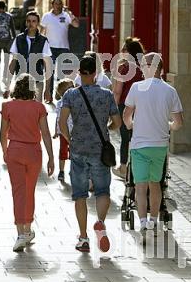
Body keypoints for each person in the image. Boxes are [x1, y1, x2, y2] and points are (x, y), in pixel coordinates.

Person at [59, 56, 121, 253]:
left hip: (78, 149)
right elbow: (117, 122)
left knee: (80, 195)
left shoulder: (70, 94)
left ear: (80, 73)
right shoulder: (106, 95)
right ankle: (100, 222)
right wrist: (106, 129)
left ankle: (83, 238)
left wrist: (70, 139)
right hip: (99, 149)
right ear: (96, 74)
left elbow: (62, 123)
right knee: (102, 191)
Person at [123, 52, 183, 236]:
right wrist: (168, 126)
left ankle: (142, 223)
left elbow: (127, 115)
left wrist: (131, 125)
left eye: (143, 65)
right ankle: (153, 221)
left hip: (140, 144)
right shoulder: (170, 91)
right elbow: (178, 123)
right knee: (155, 183)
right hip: (159, 145)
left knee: (140, 185)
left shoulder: (136, 87)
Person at [0, 73, 54, 252]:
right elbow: (45, 133)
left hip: (15, 150)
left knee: (18, 192)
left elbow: (2, 133)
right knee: (29, 191)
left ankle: (20, 233)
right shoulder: (38, 108)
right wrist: (51, 157)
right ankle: (28, 229)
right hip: (33, 152)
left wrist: (4, 151)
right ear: (33, 89)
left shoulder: (7, 107)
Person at [112, 36, 145, 179]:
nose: (121, 51)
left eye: (124, 49)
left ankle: (124, 167)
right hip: (142, 107)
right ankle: (138, 167)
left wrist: (112, 110)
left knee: (125, 137)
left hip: (125, 107)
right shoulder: (145, 67)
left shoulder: (124, 67)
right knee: (138, 137)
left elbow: (117, 91)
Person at [4, 11, 52, 103]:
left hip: (37, 82)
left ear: (38, 23)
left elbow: (48, 67)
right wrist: (7, 86)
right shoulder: (19, 39)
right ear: (26, 22)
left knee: (35, 113)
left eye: (34, 21)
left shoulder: (43, 40)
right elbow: (13, 63)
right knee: (20, 113)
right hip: (20, 82)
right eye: (28, 21)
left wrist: (47, 89)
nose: (31, 23)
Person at [41, 0, 79, 102]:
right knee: (49, 72)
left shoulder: (66, 15)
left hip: (63, 47)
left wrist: (69, 12)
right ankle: (49, 95)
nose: (58, 5)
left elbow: (76, 24)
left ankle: (59, 94)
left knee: (62, 73)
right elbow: (42, 30)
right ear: (52, 5)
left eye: (60, 4)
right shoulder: (46, 16)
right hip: (50, 47)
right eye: (56, 3)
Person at [0, 0, 16, 88]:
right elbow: (12, 29)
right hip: (7, 41)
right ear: (5, 7)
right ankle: (4, 77)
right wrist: (14, 40)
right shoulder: (9, 16)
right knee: (6, 60)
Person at [53, 78, 74, 182]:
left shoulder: (77, 101)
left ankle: (73, 170)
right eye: (69, 88)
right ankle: (61, 171)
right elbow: (58, 117)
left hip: (75, 132)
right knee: (63, 151)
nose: (72, 89)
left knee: (74, 153)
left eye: (72, 87)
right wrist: (56, 130)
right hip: (64, 132)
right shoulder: (60, 103)